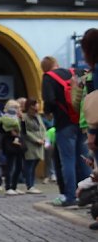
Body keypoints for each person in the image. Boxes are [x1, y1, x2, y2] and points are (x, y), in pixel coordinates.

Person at [41, 55, 90, 206]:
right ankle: (88, 196)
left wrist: (49, 112)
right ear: (56, 63)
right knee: (83, 160)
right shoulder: (76, 71)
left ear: (45, 68)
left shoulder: (48, 78)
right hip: (82, 122)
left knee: (67, 161)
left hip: (64, 124)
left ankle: (70, 196)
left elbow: (48, 100)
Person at [0, 99, 25, 196]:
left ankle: (14, 186)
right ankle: (8, 187)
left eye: (18, 108)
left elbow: (24, 131)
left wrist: (22, 120)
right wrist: (10, 132)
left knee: (19, 166)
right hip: (9, 144)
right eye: (16, 108)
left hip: (19, 144)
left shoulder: (19, 118)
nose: (18, 109)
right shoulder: (5, 118)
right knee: (10, 166)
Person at [23, 98, 46, 194]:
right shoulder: (25, 117)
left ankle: (32, 184)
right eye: (35, 104)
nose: (37, 106)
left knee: (34, 164)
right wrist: (36, 139)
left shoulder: (38, 116)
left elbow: (43, 128)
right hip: (31, 144)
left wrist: (44, 138)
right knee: (29, 165)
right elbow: (25, 132)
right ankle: (30, 185)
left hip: (40, 144)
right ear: (30, 106)